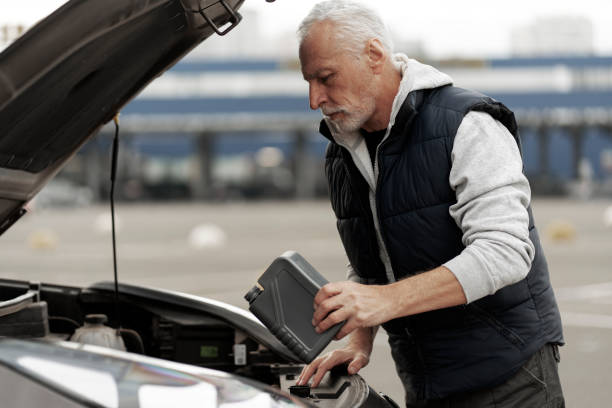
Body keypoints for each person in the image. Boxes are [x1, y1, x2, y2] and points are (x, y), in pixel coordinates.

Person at [294, 1, 565, 407]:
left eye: (326, 78)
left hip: (508, 377)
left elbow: (506, 251)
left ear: (374, 55)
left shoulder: (468, 124)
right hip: (425, 380)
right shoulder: (342, 150)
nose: (315, 99)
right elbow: (375, 260)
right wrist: (361, 338)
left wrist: (381, 302)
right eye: (308, 82)